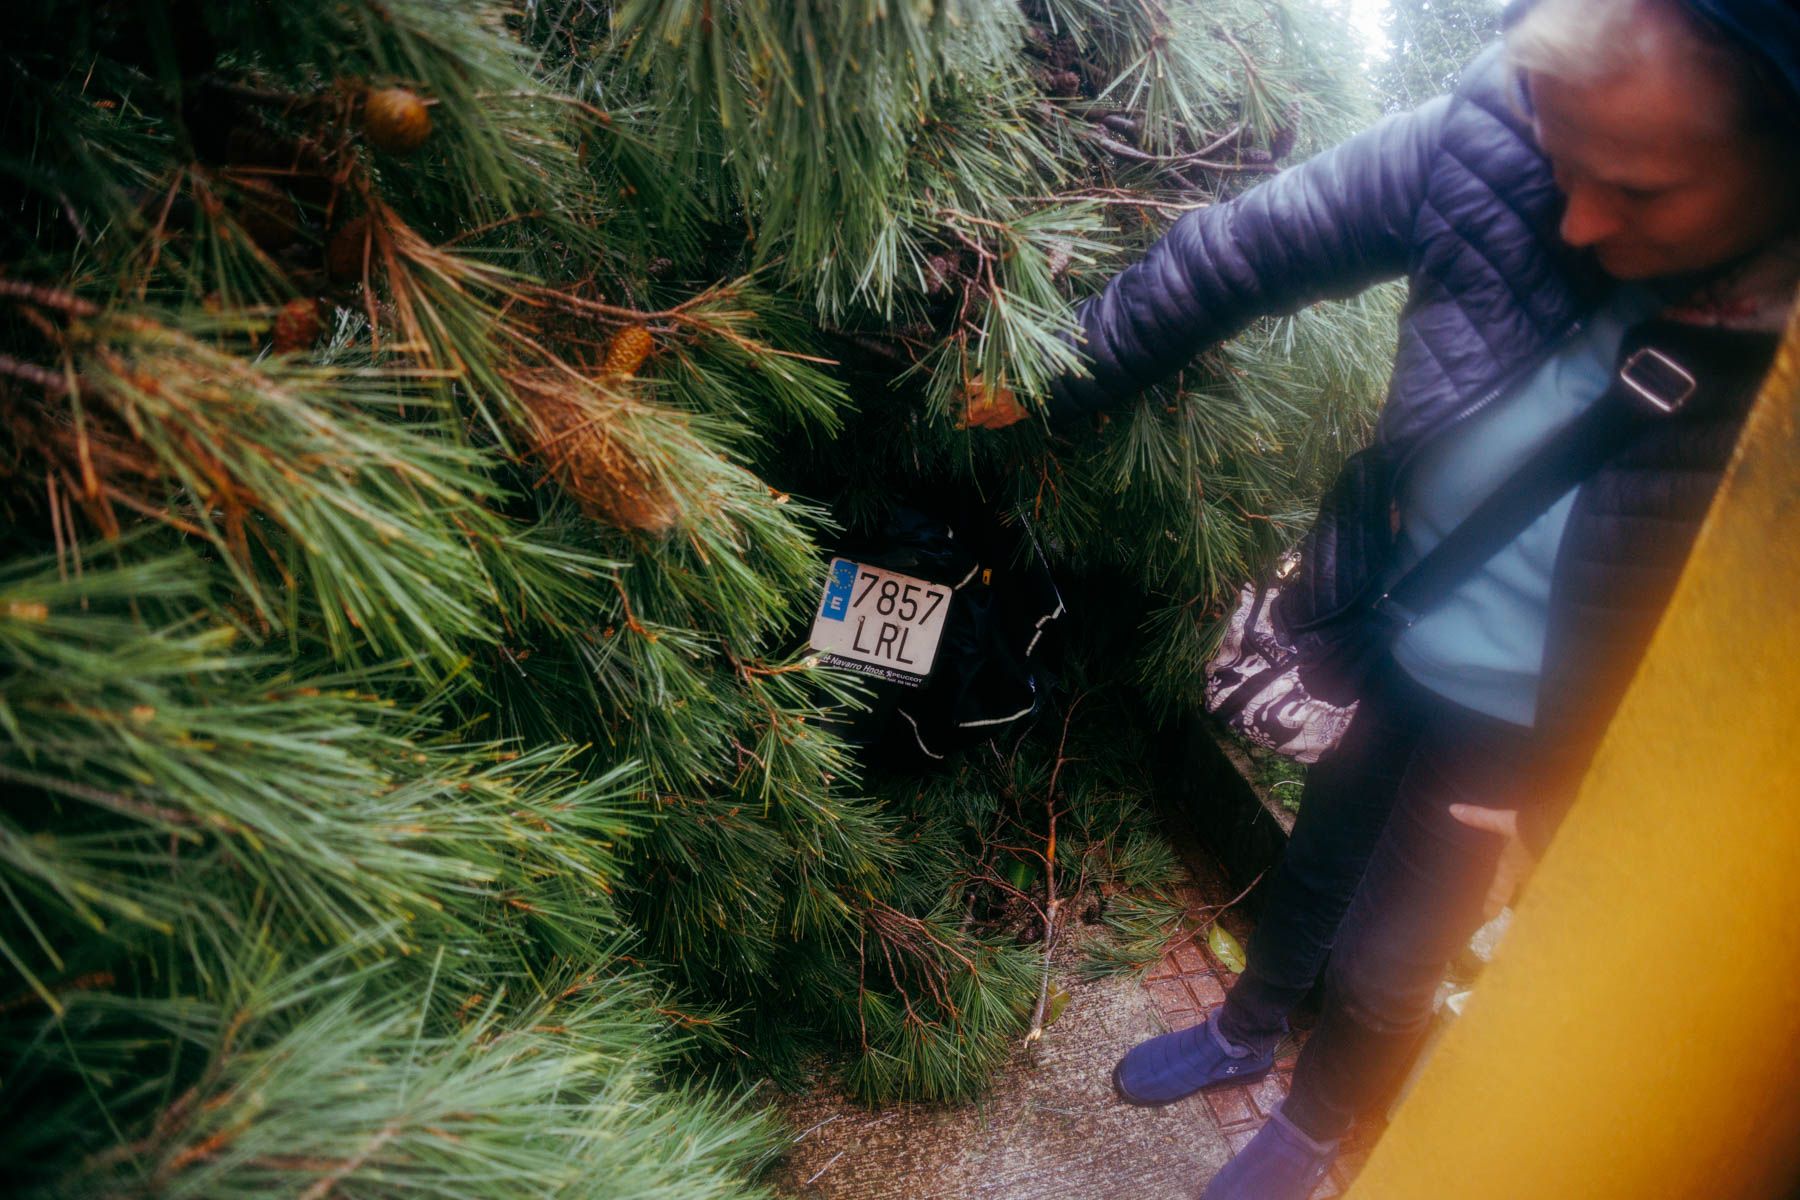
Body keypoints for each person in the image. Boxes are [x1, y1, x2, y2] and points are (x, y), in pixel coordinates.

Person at [967, 1, 1800, 1196]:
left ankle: (1318, 1126)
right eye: (1563, 157)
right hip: (1390, 625)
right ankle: (1247, 1026)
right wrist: (1041, 382)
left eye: (1637, 188)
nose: (1576, 219)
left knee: (1392, 959)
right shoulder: (1499, 135)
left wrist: (1604, 812)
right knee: (1317, 858)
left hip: (1529, 721)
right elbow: (1245, 251)